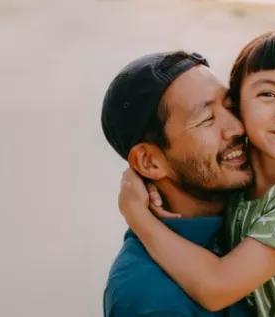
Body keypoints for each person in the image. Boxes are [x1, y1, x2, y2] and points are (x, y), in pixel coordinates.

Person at [118, 31, 275, 316]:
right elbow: (181, 161)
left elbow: (216, 287)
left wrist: (137, 216)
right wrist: (141, 176)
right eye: (267, 94)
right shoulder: (239, 173)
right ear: (242, 106)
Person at [100, 50, 255, 317]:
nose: (236, 128)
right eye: (207, 119)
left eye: (230, 107)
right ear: (149, 162)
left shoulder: (258, 212)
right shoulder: (150, 297)